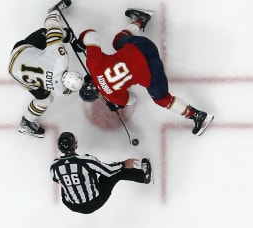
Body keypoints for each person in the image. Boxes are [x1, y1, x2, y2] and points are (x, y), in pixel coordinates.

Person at [76, 9, 214, 136]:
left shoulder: (112, 97)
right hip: (143, 46)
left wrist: (117, 101)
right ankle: (140, 20)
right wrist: (80, 42)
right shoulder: (93, 65)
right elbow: (91, 34)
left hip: (152, 71)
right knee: (117, 41)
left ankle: (196, 115)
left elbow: (133, 99)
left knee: (162, 99)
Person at [8, 0, 84, 138]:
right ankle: (26, 122)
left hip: (19, 54)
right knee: (46, 100)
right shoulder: (61, 90)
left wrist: (65, 33)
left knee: (47, 32)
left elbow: (51, 26)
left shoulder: (60, 58)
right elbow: (68, 90)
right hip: (20, 76)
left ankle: (54, 11)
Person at [50, 132, 152, 214]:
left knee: (65, 181)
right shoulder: (85, 160)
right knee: (114, 173)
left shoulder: (54, 167)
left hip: (71, 205)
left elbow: (56, 179)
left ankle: (80, 191)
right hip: (93, 203)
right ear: (75, 145)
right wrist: (124, 164)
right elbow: (108, 171)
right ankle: (144, 176)